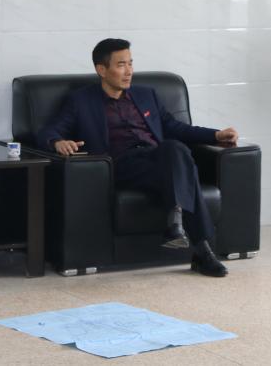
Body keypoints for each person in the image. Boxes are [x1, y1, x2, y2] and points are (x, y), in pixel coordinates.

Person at [37, 38, 238, 277]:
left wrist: (216, 135)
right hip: (122, 165)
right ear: (102, 70)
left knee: (176, 149)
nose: (129, 71)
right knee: (184, 167)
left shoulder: (145, 95)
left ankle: (178, 225)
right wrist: (57, 142)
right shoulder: (81, 101)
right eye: (121, 65)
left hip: (157, 159)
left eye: (131, 63)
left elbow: (175, 127)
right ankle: (201, 250)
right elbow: (48, 131)